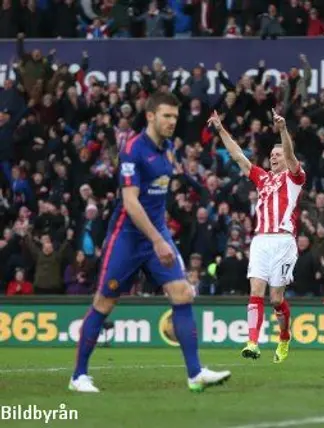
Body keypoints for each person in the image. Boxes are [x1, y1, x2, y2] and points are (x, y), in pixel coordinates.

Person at [69, 92, 231, 393]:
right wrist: (158, 239)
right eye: (166, 116)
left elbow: (156, 197)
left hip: (157, 235)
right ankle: (78, 376)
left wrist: (161, 234)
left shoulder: (168, 149)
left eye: (175, 117)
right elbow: (130, 202)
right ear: (151, 116)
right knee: (104, 303)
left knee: (182, 293)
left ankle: (195, 374)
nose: (172, 122)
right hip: (127, 239)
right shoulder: (132, 150)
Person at [207, 108, 305, 364]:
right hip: (261, 240)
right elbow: (238, 156)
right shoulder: (262, 179)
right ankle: (252, 341)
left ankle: (284, 336)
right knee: (256, 291)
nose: (273, 158)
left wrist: (282, 130)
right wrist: (220, 129)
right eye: (271, 155)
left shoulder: (294, 178)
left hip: (283, 241)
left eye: (277, 154)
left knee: (276, 299)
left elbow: (292, 156)